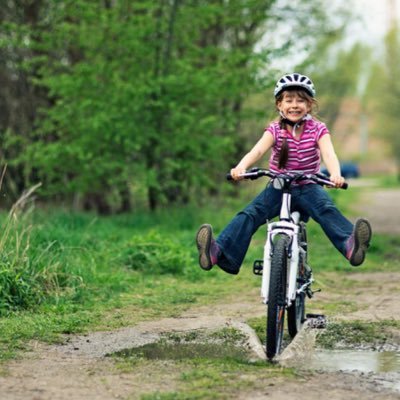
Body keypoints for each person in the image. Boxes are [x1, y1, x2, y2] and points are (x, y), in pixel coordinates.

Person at [196, 72, 372, 275]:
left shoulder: (318, 129)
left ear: (310, 105)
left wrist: (335, 174)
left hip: (309, 186)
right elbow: (258, 150)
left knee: (326, 209)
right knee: (250, 214)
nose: (294, 105)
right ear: (279, 105)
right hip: (279, 186)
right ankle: (217, 251)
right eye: (288, 100)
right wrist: (241, 167)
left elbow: (328, 153)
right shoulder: (274, 130)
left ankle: (351, 245)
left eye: (300, 100)